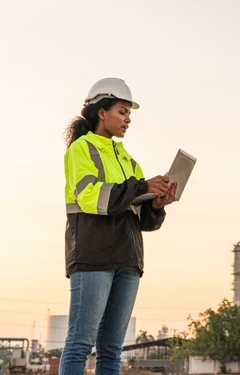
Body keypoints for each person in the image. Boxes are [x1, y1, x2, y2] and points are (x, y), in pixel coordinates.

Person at [60, 77, 176, 375]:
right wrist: (140, 187)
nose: (127, 120)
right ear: (102, 112)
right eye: (122, 112)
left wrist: (156, 204)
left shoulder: (128, 160)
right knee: (80, 344)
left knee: (111, 350)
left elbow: (139, 217)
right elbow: (90, 197)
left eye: (129, 115)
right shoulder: (81, 149)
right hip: (94, 256)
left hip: (128, 258)